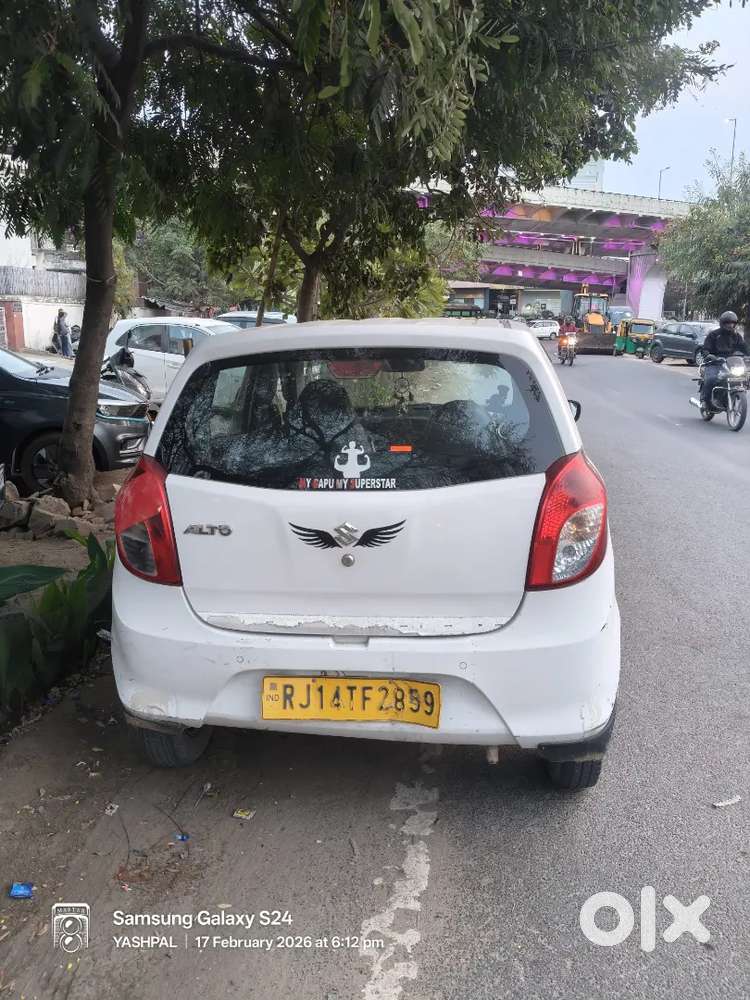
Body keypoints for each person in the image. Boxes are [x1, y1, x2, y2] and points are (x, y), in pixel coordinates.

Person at [701, 310, 748, 410]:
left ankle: (731, 396)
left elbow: (745, 348)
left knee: (744, 377)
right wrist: (709, 355)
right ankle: (705, 401)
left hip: (731, 363)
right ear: (722, 323)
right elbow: (705, 349)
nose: (730, 325)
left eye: (732, 323)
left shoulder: (736, 336)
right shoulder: (714, 335)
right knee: (711, 379)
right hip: (715, 362)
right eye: (728, 323)